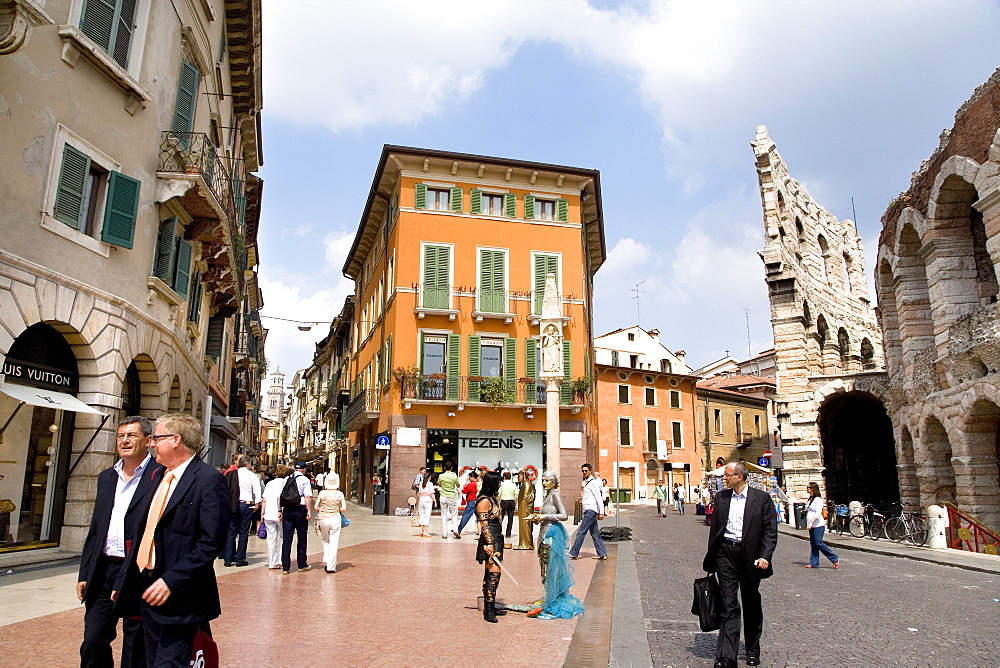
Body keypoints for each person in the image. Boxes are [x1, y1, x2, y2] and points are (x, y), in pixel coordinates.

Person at [116, 413, 228, 667]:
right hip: (148, 591)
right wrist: (125, 579)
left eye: (157, 437)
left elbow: (211, 542)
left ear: (176, 440)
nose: (151, 443)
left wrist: (171, 580)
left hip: (180, 596)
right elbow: (144, 532)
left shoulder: (208, 479)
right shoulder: (158, 477)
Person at [78, 416, 162, 668]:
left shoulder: (159, 476)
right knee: (93, 639)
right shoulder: (107, 477)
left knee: (136, 642)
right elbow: (96, 530)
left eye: (131, 435)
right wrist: (84, 573)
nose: (124, 441)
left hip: (138, 570)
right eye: (120, 436)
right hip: (104, 570)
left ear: (148, 441)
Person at [703, 461, 778, 668]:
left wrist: (765, 556)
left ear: (740, 477)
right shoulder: (721, 497)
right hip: (726, 554)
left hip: (751, 556)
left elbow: (770, 530)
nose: (723, 478)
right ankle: (727, 656)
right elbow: (715, 529)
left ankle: (753, 649)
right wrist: (715, 557)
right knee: (728, 605)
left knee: (751, 602)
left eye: (727, 475)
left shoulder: (761, 499)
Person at [527, 471, 583, 619]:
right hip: (544, 533)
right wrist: (537, 518)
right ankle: (550, 597)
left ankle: (553, 600)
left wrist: (544, 516)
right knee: (545, 568)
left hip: (552, 535)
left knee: (550, 569)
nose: (544, 483)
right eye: (543, 480)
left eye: (547, 481)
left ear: (554, 482)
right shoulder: (547, 495)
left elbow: (563, 515)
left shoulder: (555, 495)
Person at [475, 471, 504, 623]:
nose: (500, 484)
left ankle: (490, 606)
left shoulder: (492, 499)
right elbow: (484, 524)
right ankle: (488, 609)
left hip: (497, 538)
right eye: (498, 482)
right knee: (494, 573)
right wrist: (490, 543)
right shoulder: (484, 501)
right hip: (490, 540)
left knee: (491, 573)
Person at [223, 455, 260, 567]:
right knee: (244, 533)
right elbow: (257, 492)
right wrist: (257, 504)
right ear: (247, 464)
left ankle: (228, 559)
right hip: (246, 505)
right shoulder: (252, 476)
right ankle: (240, 559)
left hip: (232, 505)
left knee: (231, 532)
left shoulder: (231, 474)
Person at [281, 461, 314, 574]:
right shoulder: (305, 480)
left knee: (287, 538)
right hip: (300, 510)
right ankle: (301, 564)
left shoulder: (286, 479)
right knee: (302, 537)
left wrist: (279, 510)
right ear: (304, 469)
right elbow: (307, 496)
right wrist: (309, 510)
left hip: (287, 510)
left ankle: (285, 567)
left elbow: (279, 496)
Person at [569, 463, 607, 560]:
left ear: (590, 471)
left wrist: (601, 511)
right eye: (583, 471)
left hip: (591, 510)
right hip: (589, 510)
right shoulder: (586, 482)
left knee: (581, 532)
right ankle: (602, 553)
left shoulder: (593, 483)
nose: (584, 472)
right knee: (595, 533)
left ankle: (574, 552)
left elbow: (598, 497)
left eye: (586, 470)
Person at [314, 473, 347, 572]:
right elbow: (344, 508)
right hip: (335, 518)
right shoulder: (339, 494)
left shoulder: (322, 493)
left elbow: (316, 507)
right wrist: (336, 508)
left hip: (323, 518)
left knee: (325, 540)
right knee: (334, 541)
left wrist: (323, 509)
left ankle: (326, 559)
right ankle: (331, 567)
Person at [805, 482, 839, 569]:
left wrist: (811, 522)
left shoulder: (818, 500)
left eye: (808, 487)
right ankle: (814, 563)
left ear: (812, 489)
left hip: (818, 525)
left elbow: (818, 512)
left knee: (818, 542)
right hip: (811, 525)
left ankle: (834, 558)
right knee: (813, 544)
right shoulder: (810, 499)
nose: (807, 488)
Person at [260, 465, 288, 569]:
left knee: (271, 539)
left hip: (269, 513)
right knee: (284, 537)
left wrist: (262, 513)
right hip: (281, 513)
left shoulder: (270, 484)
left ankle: (271, 562)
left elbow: (264, 499)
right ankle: (280, 559)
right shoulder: (285, 483)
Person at [437, 461, 460, 539]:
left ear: (444, 468)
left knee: (444, 514)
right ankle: (455, 530)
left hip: (443, 496)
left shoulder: (441, 476)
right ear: (452, 468)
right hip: (452, 496)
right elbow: (458, 485)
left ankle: (444, 533)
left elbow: (439, 484)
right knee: (454, 514)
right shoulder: (454, 476)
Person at [455, 471, 480, 536]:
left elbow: (464, 491)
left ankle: (459, 530)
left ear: (472, 477)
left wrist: (463, 487)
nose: (469, 479)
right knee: (479, 518)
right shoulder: (479, 484)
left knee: (466, 516)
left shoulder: (470, 484)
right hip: (478, 501)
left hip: (471, 501)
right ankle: (481, 532)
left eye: (469, 477)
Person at [498, 471, 517, 538]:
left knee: (501, 518)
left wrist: (497, 503)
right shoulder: (514, 485)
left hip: (504, 501)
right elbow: (516, 496)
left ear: (504, 477)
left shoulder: (502, 485)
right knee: (510, 519)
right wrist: (515, 503)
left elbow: (499, 495)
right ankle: (508, 534)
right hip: (511, 501)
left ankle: (499, 531)